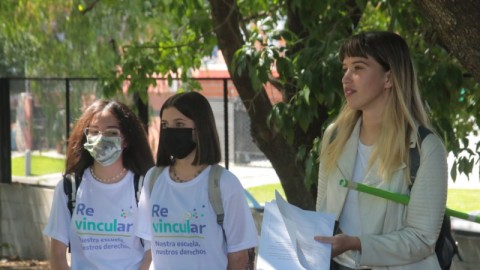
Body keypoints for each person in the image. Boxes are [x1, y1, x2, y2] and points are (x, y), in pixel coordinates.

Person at [314, 31, 448, 269]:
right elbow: (322, 216)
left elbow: (422, 240)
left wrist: (356, 244)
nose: (346, 78)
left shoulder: (426, 148)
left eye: (358, 68)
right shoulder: (334, 136)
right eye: (344, 68)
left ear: (389, 78)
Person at [136, 91, 258, 269]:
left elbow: (239, 256)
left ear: (200, 129)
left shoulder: (224, 183)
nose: (170, 131)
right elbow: (148, 251)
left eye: (179, 124)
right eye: (165, 125)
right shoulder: (153, 179)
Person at [44, 99, 155, 270]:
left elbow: (151, 254)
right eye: (94, 132)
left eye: (111, 133)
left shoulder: (142, 187)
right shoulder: (69, 188)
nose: (101, 139)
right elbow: (57, 255)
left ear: (126, 140)